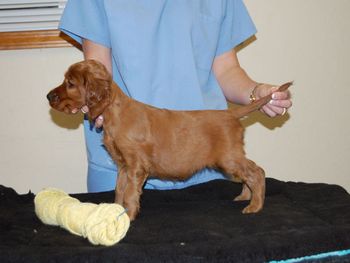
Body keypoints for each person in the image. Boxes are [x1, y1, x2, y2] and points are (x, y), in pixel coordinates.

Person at [59, 0, 292, 193]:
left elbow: (226, 70)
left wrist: (256, 92)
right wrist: (92, 103)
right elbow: (98, 70)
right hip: (121, 165)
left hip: (200, 156)